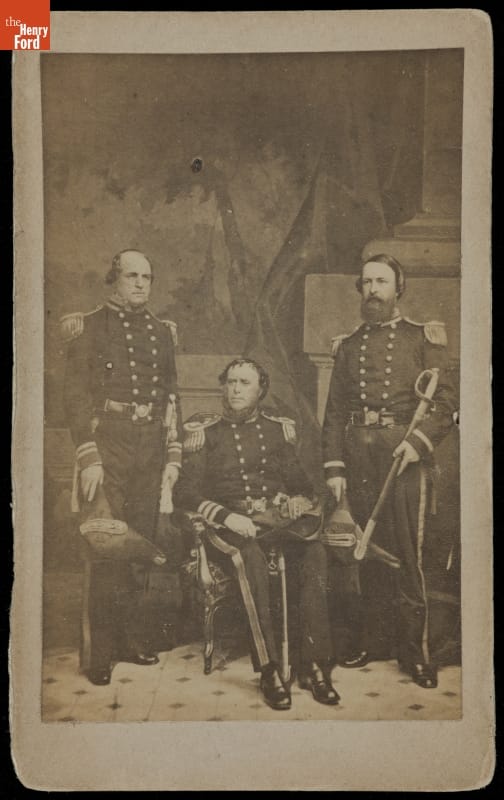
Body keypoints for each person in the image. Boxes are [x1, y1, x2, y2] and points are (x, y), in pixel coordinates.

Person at [322, 254, 457, 688]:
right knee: (365, 551)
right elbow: (335, 411)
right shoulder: (348, 345)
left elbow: (447, 404)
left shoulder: (424, 338)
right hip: (359, 457)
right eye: (366, 283)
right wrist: (335, 466)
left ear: (399, 288)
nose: (373, 290)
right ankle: (372, 640)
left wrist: (418, 445)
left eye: (381, 282)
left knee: (409, 556)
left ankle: (414, 652)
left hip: (403, 456)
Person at [174, 358, 338, 710]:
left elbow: (303, 485)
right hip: (228, 529)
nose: (235, 389)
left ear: (261, 390)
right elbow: (185, 493)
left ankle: (315, 664)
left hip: (273, 524)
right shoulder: (207, 432)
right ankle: (268, 669)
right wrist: (226, 516)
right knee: (248, 557)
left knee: (314, 554)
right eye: (230, 382)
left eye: (244, 383)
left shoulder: (278, 430)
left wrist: (296, 500)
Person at [62, 249, 183, 685]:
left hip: (149, 444)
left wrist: (173, 454)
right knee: (105, 543)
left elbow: (172, 397)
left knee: (140, 543)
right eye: (131, 276)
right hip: (108, 441)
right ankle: (100, 653)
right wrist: (88, 454)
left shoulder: (161, 332)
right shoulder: (89, 326)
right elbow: (74, 396)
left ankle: (131, 639)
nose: (139, 284)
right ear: (113, 278)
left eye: (147, 277)